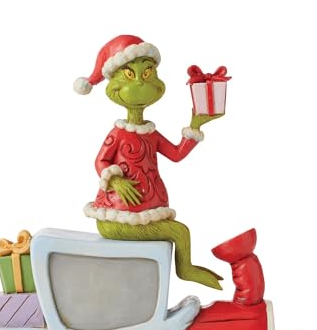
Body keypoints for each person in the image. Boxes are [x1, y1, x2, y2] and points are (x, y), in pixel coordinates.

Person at [74, 34, 224, 289]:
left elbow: (176, 154)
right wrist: (116, 181)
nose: (141, 82)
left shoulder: (150, 134)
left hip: (147, 212)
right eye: (130, 74)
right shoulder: (118, 133)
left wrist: (195, 125)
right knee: (179, 232)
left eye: (147, 73)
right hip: (117, 218)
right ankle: (185, 269)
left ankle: (178, 270)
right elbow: (100, 161)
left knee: (176, 233)